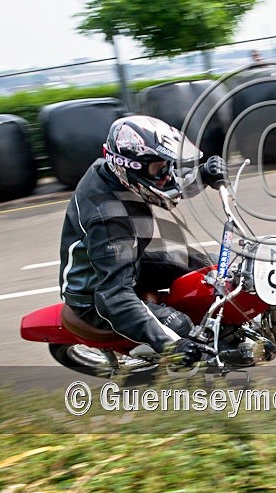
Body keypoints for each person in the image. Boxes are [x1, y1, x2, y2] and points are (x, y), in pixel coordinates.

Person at [58, 115, 226, 367]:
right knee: (179, 325)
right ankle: (206, 369)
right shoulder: (107, 220)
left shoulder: (118, 173)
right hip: (96, 293)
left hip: (127, 259)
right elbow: (113, 297)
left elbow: (162, 185)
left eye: (166, 165)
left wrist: (202, 174)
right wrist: (172, 346)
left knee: (207, 266)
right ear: (130, 166)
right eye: (159, 168)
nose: (166, 174)